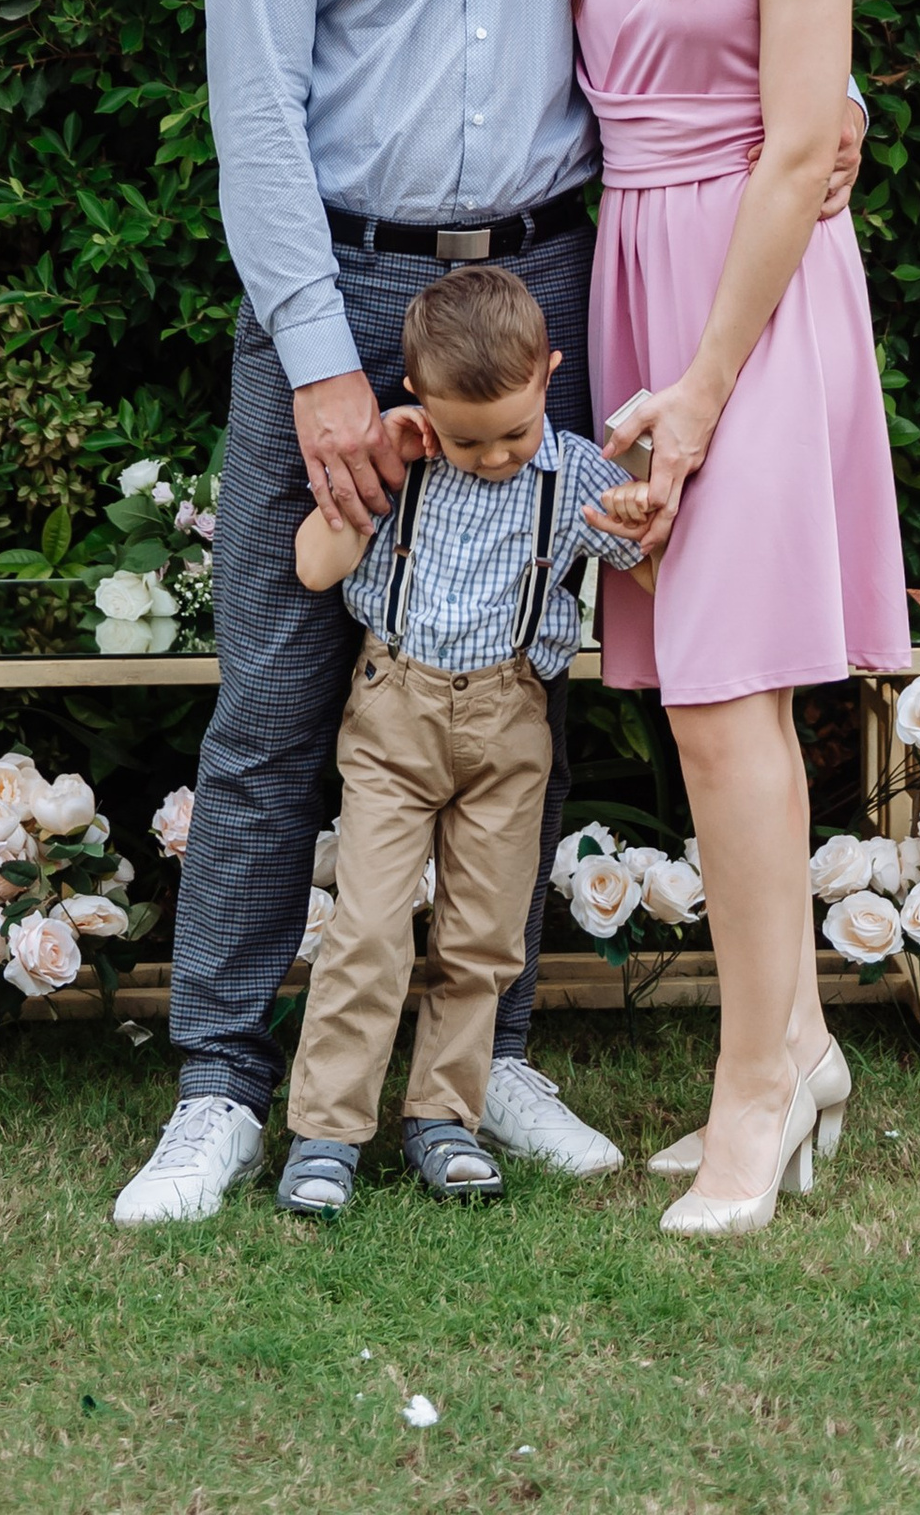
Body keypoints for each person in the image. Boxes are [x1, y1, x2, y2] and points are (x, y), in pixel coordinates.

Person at [113, 0, 866, 1229]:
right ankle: (220, 1087)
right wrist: (315, 359)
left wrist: (824, 121)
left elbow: (716, 4)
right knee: (282, 692)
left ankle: (492, 1055)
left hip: (553, 286)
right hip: (346, 287)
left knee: (524, 679)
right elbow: (256, 117)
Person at [573, 0, 909, 1237]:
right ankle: (803, 1045)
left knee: (725, 698)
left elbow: (796, 147)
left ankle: (757, 1092)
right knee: (703, 701)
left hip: (755, 309)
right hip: (635, 280)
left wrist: (701, 390)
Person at [271, 263, 654, 1217]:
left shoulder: (570, 478)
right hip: (394, 716)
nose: (492, 456)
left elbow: (646, 562)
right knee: (365, 927)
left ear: (551, 375)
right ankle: (327, 1130)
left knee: (483, 937)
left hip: (510, 720)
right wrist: (384, 471)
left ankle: (445, 1116)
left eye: (514, 431)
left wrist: (647, 500)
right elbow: (316, 570)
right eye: (467, 436)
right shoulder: (404, 465)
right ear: (420, 404)